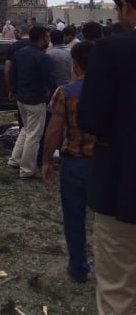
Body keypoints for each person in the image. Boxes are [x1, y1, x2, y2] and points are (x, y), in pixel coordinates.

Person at [77, 0, 136, 315]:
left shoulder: (114, 50)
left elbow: (91, 119)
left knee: (116, 293)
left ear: (127, 7)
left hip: (121, 189)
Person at [41, 41, 96, 282]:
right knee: (109, 220)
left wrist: (44, 161)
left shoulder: (65, 92)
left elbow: (54, 131)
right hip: (106, 166)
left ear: (74, 63)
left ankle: (78, 267)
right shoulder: (114, 91)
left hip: (74, 163)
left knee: (74, 218)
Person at [7, 26, 55, 179]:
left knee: (26, 130)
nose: (48, 40)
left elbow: (12, 73)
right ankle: (27, 170)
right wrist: (51, 93)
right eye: (47, 37)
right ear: (42, 38)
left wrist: (13, 90)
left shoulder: (20, 53)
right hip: (36, 99)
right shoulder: (42, 57)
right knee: (34, 135)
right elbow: (50, 80)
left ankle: (15, 160)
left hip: (21, 98)